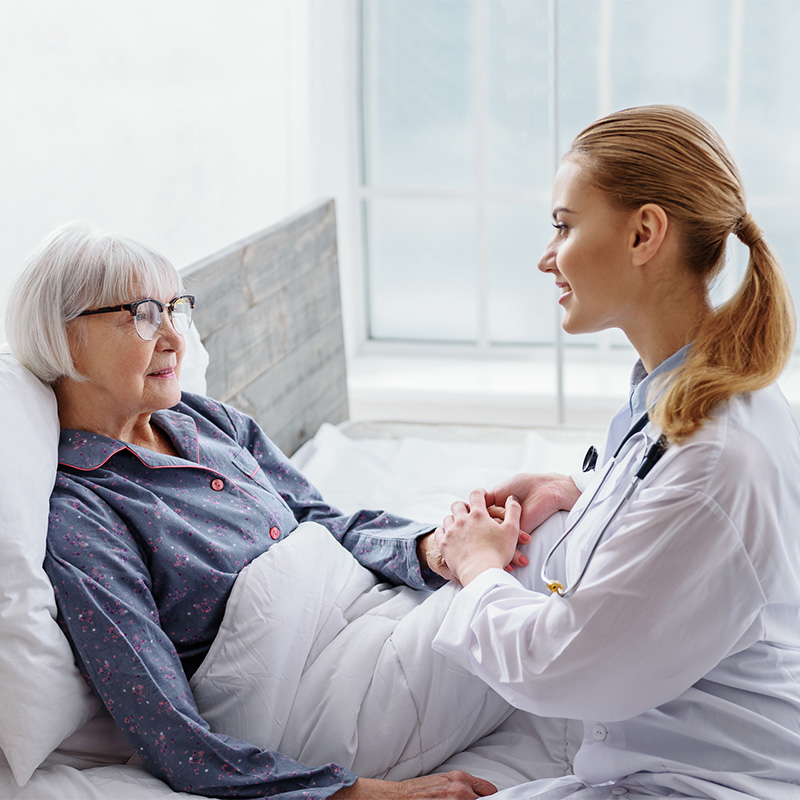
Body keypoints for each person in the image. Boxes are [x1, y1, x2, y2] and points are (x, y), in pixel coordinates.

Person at [4, 223, 509, 800]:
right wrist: (371, 794)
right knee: (542, 567)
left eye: (175, 310)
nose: (173, 338)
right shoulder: (83, 515)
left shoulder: (201, 419)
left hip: (361, 616)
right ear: (65, 338)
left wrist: (437, 548)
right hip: (316, 701)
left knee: (525, 534)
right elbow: (168, 731)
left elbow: (322, 518)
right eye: (143, 315)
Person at [432, 105, 800, 799]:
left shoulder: (718, 458)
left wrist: (476, 566)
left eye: (564, 226)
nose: (547, 257)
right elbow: (671, 535)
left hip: (710, 783)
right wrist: (584, 496)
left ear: (643, 233)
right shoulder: (691, 399)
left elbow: (562, 665)